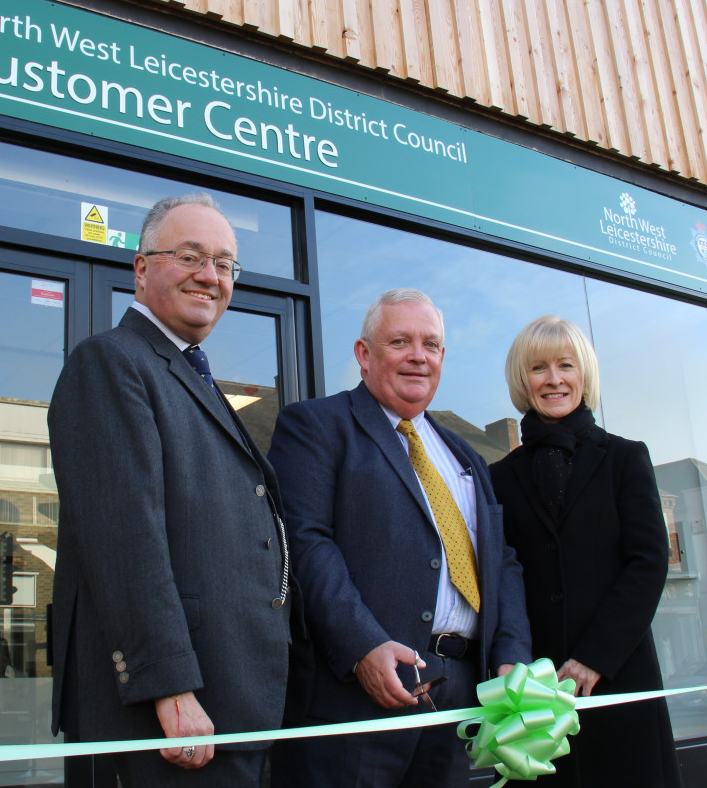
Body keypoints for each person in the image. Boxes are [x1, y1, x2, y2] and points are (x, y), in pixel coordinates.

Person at [48, 193, 297, 787]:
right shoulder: (110, 363)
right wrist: (170, 686)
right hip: (171, 718)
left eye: (224, 263)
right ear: (140, 268)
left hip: (231, 701)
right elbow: (125, 541)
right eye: (190, 256)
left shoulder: (193, 374)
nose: (210, 276)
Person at [267, 288, 531, 788]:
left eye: (430, 344)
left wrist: (511, 654)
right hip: (354, 704)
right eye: (400, 341)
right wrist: (363, 646)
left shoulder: (464, 455)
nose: (418, 356)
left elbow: (502, 563)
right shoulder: (316, 426)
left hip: (458, 698)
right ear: (364, 355)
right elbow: (305, 543)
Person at [489, 314, 682, 787]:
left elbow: (649, 562)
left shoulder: (625, 457)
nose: (553, 380)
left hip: (619, 678)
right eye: (538, 369)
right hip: (535, 695)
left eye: (565, 366)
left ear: (584, 375)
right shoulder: (497, 477)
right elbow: (499, 574)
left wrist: (595, 656)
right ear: (522, 380)